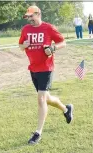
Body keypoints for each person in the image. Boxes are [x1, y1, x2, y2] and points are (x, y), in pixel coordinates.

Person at [19, 6, 73, 145]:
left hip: (46, 68)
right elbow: (20, 45)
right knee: (47, 99)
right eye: (28, 17)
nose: (29, 19)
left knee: (41, 99)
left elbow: (63, 42)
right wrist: (24, 45)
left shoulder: (48, 28)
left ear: (38, 14)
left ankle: (38, 133)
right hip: (33, 69)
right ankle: (66, 109)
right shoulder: (25, 29)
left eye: (31, 16)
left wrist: (53, 48)